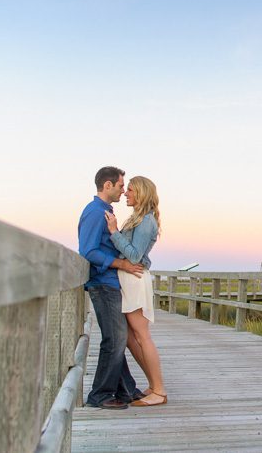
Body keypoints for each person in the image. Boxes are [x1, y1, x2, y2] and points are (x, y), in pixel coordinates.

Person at [78, 166, 146, 410]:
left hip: (110, 282)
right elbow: (88, 251)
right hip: (102, 283)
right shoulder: (95, 213)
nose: (122, 190)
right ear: (107, 185)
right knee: (114, 340)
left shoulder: (105, 211)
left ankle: (125, 389)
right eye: (120, 185)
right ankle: (100, 395)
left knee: (116, 338)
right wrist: (122, 264)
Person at [105, 175, 167, 406]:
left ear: (141, 193)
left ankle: (159, 391)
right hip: (128, 279)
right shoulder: (137, 218)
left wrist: (113, 231)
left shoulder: (146, 221)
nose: (126, 193)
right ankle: (153, 384)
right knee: (131, 338)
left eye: (130, 190)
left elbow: (134, 255)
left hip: (135, 280)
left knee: (142, 336)